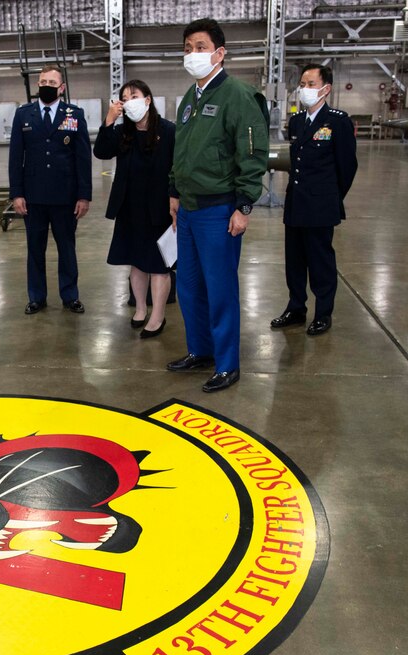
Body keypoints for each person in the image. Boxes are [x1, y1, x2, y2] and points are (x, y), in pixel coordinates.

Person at [165, 18, 269, 392]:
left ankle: (227, 363)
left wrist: (244, 205)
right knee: (190, 285)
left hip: (219, 210)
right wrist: (174, 191)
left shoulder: (239, 96)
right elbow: (182, 151)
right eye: (188, 47)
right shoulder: (189, 100)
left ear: (220, 53)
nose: (193, 54)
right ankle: (201, 350)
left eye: (200, 47)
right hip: (189, 209)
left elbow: (252, 155)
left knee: (220, 287)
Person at [270, 64, 357, 336]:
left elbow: (347, 167)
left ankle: (323, 312)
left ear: (325, 88)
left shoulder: (338, 121)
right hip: (296, 203)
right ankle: (296, 307)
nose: (303, 89)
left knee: (320, 261)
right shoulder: (296, 121)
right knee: (294, 261)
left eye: (310, 84)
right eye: (302, 84)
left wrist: (330, 196)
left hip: (320, 205)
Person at [8, 65, 93, 315]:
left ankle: (70, 295)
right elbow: (15, 157)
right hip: (33, 197)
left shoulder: (74, 114)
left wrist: (84, 195)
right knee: (35, 248)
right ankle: (37, 296)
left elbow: (82, 158)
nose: (47, 86)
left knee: (66, 247)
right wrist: (17, 193)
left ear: (62, 88)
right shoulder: (24, 114)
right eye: (43, 81)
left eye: (52, 82)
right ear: (38, 84)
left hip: (65, 196)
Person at [94, 80, 176, 338]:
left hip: (159, 208)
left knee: (159, 265)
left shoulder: (169, 131)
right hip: (129, 207)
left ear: (148, 99)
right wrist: (108, 121)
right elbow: (101, 151)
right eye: (124, 98)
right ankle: (140, 309)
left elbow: (178, 168)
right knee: (137, 264)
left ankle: (158, 316)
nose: (129, 101)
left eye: (134, 96)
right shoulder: (122, 133)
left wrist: (176, 198)